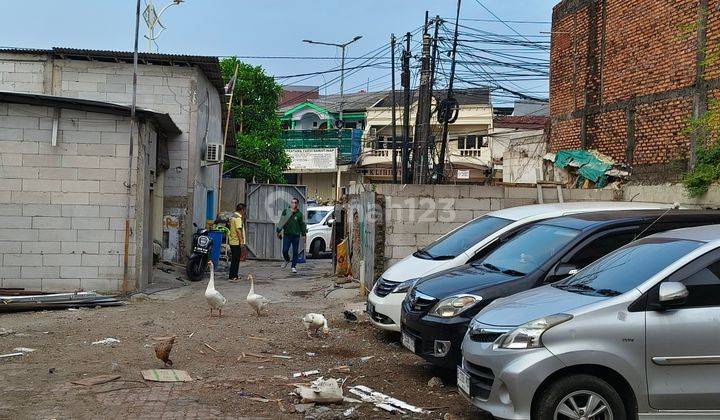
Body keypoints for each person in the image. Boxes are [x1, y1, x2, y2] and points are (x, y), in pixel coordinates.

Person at [276, 198, 307, 274]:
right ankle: (287, 259)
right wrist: (278, 231)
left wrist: (304, 234)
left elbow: (302, 225)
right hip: (287, 234)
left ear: (297, 204)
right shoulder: (286, 211)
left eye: (295, 203)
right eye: (292, 202)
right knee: (285, 250)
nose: (294, 204)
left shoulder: (299, 214)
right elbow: (281, 221)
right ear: (290, 203)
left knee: (295, 251)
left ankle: (293, 266)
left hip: (296, 235)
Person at [228, 203, 245, 281]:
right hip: (236, 241)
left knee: (235, 259)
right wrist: (241, 241)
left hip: (232, 240)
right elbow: (238, 230)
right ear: (242, 210)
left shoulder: (232, 217)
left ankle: (235, 275)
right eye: (244, 210)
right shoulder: (238, 218)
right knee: (236, 259)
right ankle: (233, 276)